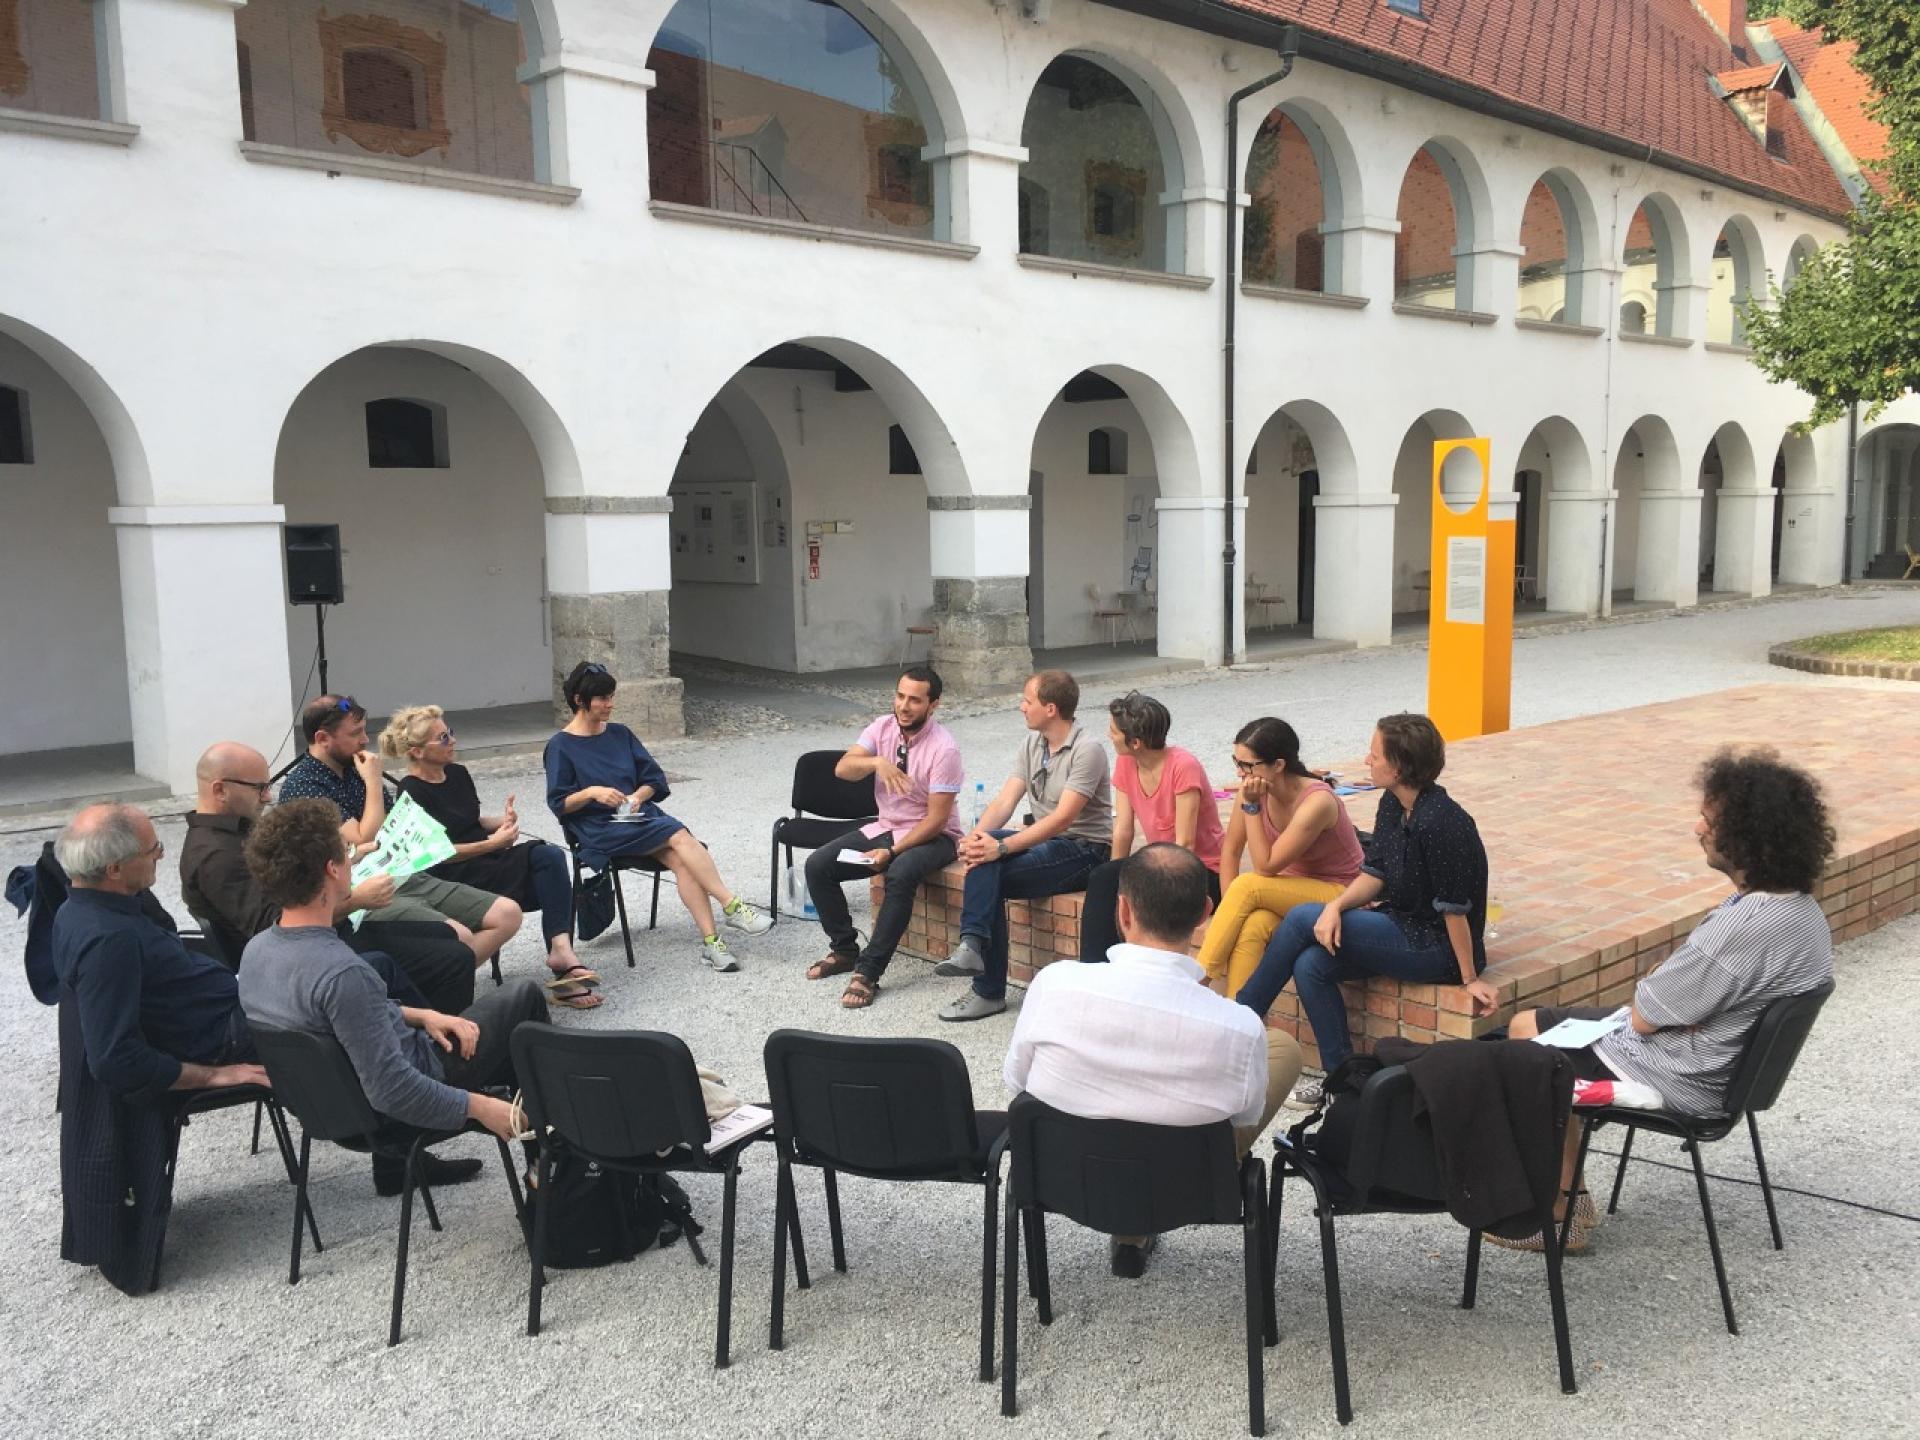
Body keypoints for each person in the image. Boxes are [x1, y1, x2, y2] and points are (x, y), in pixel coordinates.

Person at [1499, 747, 1836, 1252]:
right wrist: (1671, 995)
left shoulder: (1743, 926)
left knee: (1529, 1042)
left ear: (1747, 836)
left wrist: (1663, 994)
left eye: (1708, 819)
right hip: (1723, 1067)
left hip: (1685, 1078)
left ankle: (1560, 1212)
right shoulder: (1801, 911)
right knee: (1535, 1023)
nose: (1698, 828)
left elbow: (1644, 1017)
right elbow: (1670, 993)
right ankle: (1575, 1196)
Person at [1004, 844, 1303, 1277]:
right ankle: (1136, 1222)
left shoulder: (1054, 983)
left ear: (1122, 911)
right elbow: (1244, 1116)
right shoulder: (1238, 1025)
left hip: (1064, 1171)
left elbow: (1017, 1086)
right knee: (1283, 1049)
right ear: (1204, 913)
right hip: (1188, 1183)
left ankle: (1130, 1230)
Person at [238, 799, 541, 1194]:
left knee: (452, 997)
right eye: (345, 854)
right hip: (390, 1111)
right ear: (332, 869)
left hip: (327, 1109)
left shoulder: (258, 951)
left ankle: (533, 1126)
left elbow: (336, 1022)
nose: (351, 860)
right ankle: (547, 1160)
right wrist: (477, 1106)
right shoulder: (343, 972)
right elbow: (394, 1091)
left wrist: (418, 1015)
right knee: (525, 998)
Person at [1237, 713, 1497, 1108]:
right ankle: (1344, 1085)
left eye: (1373, 756)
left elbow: (1455, 911)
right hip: (1400, 922)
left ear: (1398, 766)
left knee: (1302, 917)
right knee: (1311, 964)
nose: (1365, 761)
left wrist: (1469, 977)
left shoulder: (1443, 823)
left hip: (1437, 946)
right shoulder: (1394, 805)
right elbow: (1375, 873)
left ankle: (1241, 1017)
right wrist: (1338, 906)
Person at [180, 740, 477, 1014]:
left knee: (449, 937)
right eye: (259, 787)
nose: (268, 796)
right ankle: (436, 1048)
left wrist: (346, 862)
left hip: (327, 933)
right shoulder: (214, 856)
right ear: (220, 790)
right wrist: (357, 900)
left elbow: (287, 887)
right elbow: (274, 927)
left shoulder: (234, 832)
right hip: (304, 959)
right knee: (453, 960)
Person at [545, 661, 770, 972]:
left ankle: (712, 944)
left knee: (682, 858)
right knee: (680, 836)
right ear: (580, 700)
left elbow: (655, 780)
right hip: (597, 828)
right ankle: (732, 905)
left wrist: (638, 796)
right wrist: (592, 792)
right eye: (603, 699)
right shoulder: (560, 746)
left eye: (612, 697)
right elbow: (559, 803)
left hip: (637, 819)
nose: (610, 704)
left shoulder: (621, 734)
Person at [279, 695, 523, 974]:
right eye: (355, 733)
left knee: (508, 914)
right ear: (323, 738)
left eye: (364, 730)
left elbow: (398, 825)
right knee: (460, 937)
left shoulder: (354, 766)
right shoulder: (306, 785)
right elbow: (364, 841)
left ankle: (438, 982)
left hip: (404, 873)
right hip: (361, 889)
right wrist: (373, 779)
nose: (364, 740)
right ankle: (432, 993)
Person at [383, 706, 601, 1010]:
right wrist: (493, 844)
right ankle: (564, 968)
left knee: (548, 856)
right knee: (547, 874)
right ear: (418, 752)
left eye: (451, 733)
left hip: (488, 863)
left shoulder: (457, 773)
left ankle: (561, 951)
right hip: (455, 875)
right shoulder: (412, 791)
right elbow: (434, 853)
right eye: (443, 738)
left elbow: (467, 820)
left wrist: (499, 821)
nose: (453, 741)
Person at [51, 804, 266, 1100]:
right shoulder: (109, 940)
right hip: (224, 1038)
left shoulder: (82, 905)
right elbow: (113, 1059)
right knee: (337, 994)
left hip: (225, 1010)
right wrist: (213, 1075)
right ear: (113, 869)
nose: (161, 855)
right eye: (152, 849)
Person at [935, 670, 1110, 1022]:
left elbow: (1062, 819)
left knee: (990, 865)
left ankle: (985, 984)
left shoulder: (1087, 750)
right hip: (1046, 842)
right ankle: (972, 950)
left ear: (1050, 708)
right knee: (986, 853)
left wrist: (999, 849)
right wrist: (975, 838)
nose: (1020, 707)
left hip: (1084, 849)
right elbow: (1004, 802)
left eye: (1027, 701)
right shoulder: (1032, 744)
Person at [802, 664, 964, 1009]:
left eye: (915, 700)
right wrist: (877, 763)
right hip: (886, 827)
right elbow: (843, 768)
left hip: (934, 836)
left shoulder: (944, 749)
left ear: (933, 705)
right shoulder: (883, 727)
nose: (904, 706)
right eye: (900, 696)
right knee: (818, 865)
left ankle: (868, 972)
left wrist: (892, 852)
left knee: (900, 873)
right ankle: (845, 949)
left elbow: (936, 820)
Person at [1193, 717, 1366, 998]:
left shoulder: (1316, 802)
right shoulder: (1253, 790)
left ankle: (1198, 981)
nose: (1240, 773)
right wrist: (1230, 914)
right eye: (1236, 763)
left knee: (1249, 884)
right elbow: (1232, 850)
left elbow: (1266, 866)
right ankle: (1243, 1016)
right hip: (1295, 890)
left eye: (1247, 765)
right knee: (1253, 924)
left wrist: (1251, 807)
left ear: (1279, 765)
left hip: (1342, 893)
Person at [1076, 692, 1225, 965]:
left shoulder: (1183, 766)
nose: (1109, 736)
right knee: (1104, 877)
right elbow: (1122, 829)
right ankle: (1095, 968)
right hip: (1159, 861)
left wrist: (1149, 882)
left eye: (1113, 731)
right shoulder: (1126, 762)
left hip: (1199, 870)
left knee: (1147, 899)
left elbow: (1186, 843)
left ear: (1135, 742)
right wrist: (1118, 879)